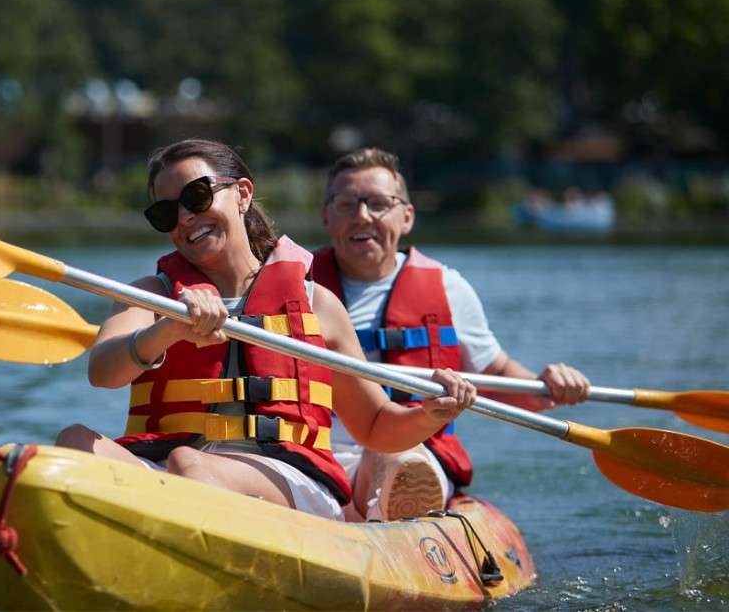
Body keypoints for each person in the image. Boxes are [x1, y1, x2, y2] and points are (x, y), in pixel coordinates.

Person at [55, 139, 477, 520]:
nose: (185, 217)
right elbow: (103, 372)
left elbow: (375, 426)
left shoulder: (317, 304)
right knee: (73, 440)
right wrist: (168, 329)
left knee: (192, 465)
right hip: (171, 467)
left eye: (197, 196)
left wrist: (430, 413)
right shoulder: (151, 296)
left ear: (241, 194)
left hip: (287, 477)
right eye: (167, 211)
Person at [310, 147, 591, 521]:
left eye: (378, 203)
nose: (362, 216)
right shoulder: (294, 285)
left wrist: (547, 388)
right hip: (313, 453)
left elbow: (494, 374)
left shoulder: (448, 288)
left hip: (411, 449)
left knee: (393, 455)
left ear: (406, 217)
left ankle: (392, 523)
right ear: (326, 216)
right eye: (346, 204)